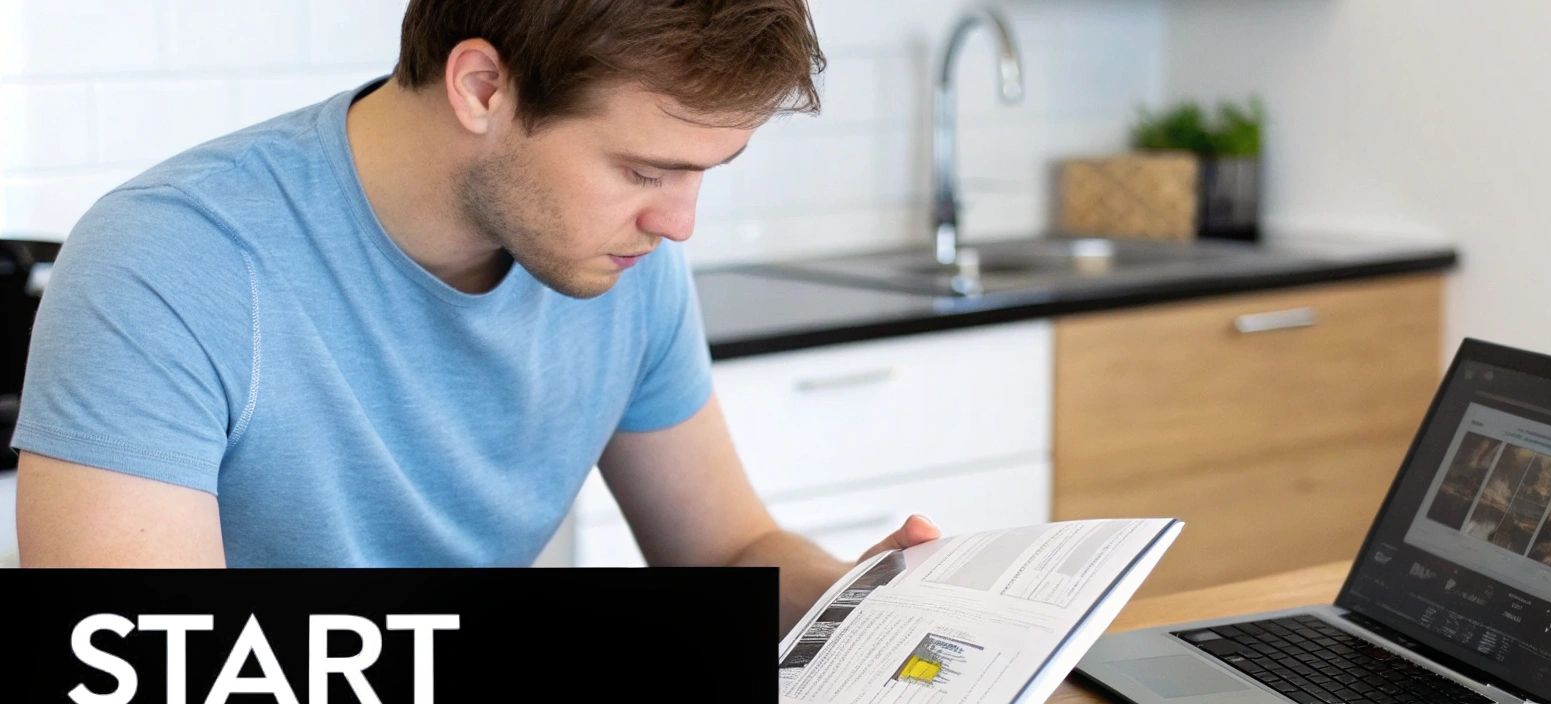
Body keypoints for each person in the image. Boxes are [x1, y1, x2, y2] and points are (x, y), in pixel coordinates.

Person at [9, 0, 938, 632]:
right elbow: (140, 680)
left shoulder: (622, 259)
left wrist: (863, 602)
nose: (678, 222)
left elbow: (728, 551)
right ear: (483, 88)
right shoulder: (171, 261)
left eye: (703, 172)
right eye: (644, 170)